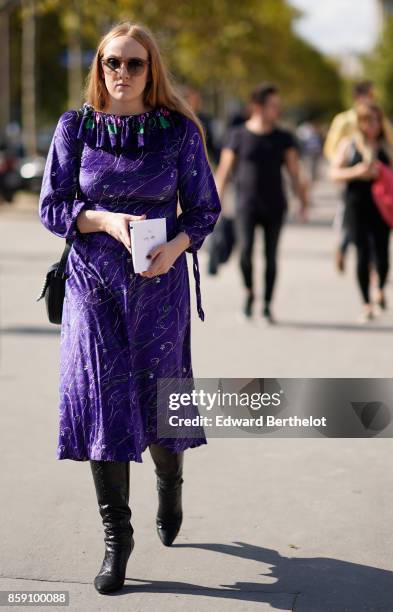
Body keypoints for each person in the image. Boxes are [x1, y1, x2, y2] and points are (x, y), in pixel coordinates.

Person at [38, 21, 221, 594]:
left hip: (158, 282)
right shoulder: (75, 128)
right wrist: (103, 220)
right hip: (93, 280)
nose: (121, 73)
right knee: (102, 398)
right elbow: (53, 206)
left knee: (161, 397)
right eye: (111, 62)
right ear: (99, 67)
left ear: (151, 70)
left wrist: (176, 249)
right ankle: (118, 538)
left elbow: (204, 209)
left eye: (133, 63)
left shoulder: (176, 132)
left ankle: (171, 483)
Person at [215, 82, 308, 324]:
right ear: (257, 106)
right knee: (245, 252)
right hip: (246, 205)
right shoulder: (237, 135)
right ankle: (249, 293)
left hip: (275, 204)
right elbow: (224, 172)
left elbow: (294, 172)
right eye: (273, 106)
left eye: (279, 106)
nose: (278, 110)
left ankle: (267, 304)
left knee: (271, 255)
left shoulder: (283, 137)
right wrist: (215, 202)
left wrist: (303, 200)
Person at [324, 80, 393, 274]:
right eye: (369, 95)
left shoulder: (379, 118)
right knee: (351, 222)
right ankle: (344, 249)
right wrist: (347, 166)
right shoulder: (344, 120)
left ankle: (372, 270)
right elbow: (330, 148)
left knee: (376, 231)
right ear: (358, 97)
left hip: (378, 183)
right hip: (353, 176)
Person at [329, 101, 393, 322]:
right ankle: (367, 303)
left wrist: (383, 174)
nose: (373, 125)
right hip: (357, 206)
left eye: (377, 120)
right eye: (368, 121)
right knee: (362, 254)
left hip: (382, 209)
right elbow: (334, 173)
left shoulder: (387, 147)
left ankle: (380, 287)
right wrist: (357, 172)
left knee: (382, 254)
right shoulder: (349, 145)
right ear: (360, 123)